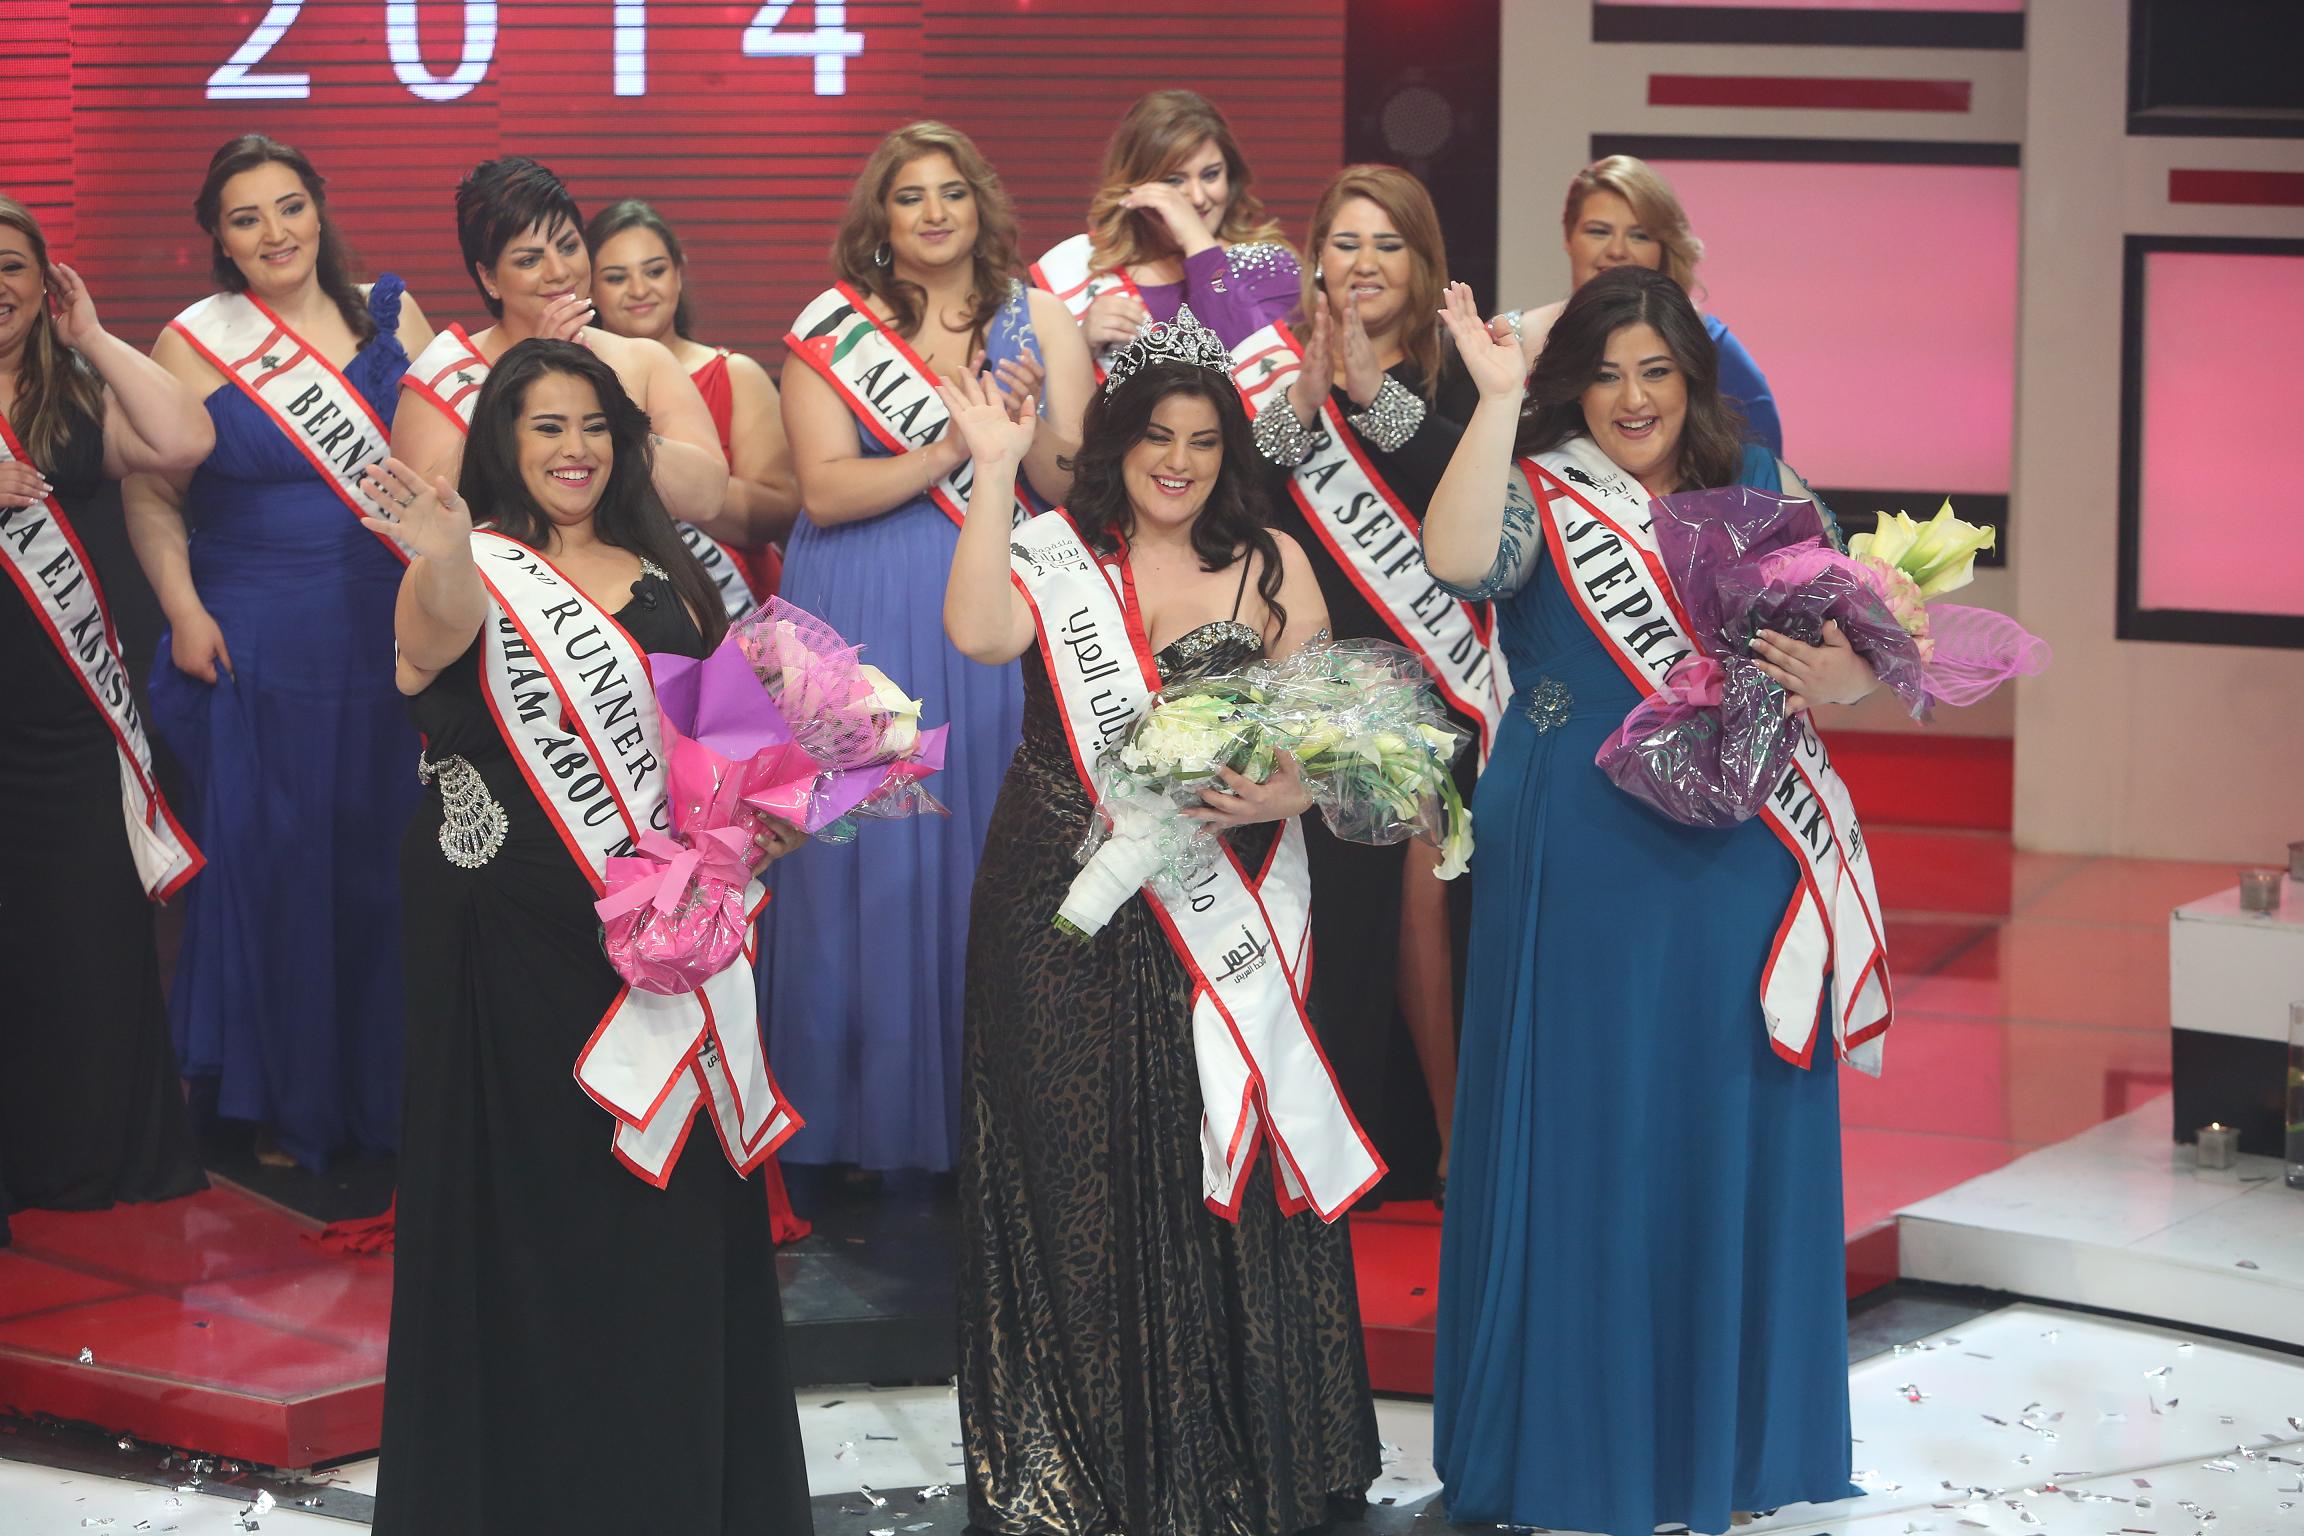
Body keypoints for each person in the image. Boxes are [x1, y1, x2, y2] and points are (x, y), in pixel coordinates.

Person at [1422, 266, 1889, 1535]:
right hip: (1579, 841)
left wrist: (1845, 679)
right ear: (1575, 385)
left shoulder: (1766, 488)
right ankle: (1579, 1448)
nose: (1634, 399)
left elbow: (1859, 640)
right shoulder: (1537, 486)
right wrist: (1497, 400)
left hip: (1736, 855)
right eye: (1608, 374)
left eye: (1658, 372)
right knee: (1588, 1129)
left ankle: (1719, 1448)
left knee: (1713, 1122)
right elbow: (1456, 559)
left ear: (1695, 380)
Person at [941, 308, 1381, 1536]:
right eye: (1155, 439)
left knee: (1212, 1151)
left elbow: (1332, 733)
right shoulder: (1056, 553)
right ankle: (1082, 1455)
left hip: (1215, 897)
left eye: (1202, 440)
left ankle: (1234, 1449)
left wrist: (1292, 790)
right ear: (1118, 444)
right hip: (1060, 891)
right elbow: (977, 633)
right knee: (1071, 1163)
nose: (1177, 462)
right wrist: (992, 468)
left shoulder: (1270, 560)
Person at [365, 339, 811, 1534]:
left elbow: (736, 751)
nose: (574, 450)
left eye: (594, 426)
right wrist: (445, 553)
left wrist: (765, 826)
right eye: (546, 427)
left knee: (660, 1218)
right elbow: (430, 644)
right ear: (502, 444)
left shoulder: (670, 572)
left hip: (662, 947)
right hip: (505, 938)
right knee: (530, 1217)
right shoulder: (471, 566)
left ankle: (665, 1489)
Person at [768, 121, 1092, 1174]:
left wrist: (1030, 429)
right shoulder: (832, 326)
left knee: (986, 842)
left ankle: (990, 1122)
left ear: (980, 203)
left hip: (994, 605)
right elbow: (825, 489)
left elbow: (1072, 483)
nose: (935, 212)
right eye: (910, 196)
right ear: (882, 218)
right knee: (861, 855)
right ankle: (851, 1123)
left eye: (952, 190)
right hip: (862, 606)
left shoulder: (1039, 317)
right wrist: (950, 447)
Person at [123, 133, 438, 1171]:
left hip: (389, 626)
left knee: (385, 858)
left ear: (319, 207)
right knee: (276, 860)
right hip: (253, 629)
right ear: (218, 237)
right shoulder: (192, 342)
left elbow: (443, 465)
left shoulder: (392, 314)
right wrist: (181, 609)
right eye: (246, 217)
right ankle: (283, 1096)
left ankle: (393, 1092)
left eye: (290, 206)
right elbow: (152, 495)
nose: (275, 233)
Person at [1244, 163, 1491, 1205]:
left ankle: (1454, 1133)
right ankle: (1333, 1137)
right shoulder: (1278, 374)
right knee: (1338, 916)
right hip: (1322, 687)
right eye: (1345, 242)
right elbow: (1239, 499)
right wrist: (1306, 401)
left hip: (1443, 687)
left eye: (1388, 244)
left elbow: (1469, 491)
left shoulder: (1462, 375)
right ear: (1315, 261)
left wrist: (1368, 396)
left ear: (1422, 263)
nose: (1365, 263)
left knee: (1428, 881)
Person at [0, 200, 212, 1234]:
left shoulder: (74, 398)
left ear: (45, 283)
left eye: (11, 266)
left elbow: (186, 437)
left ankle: (87, 1155)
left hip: (78, 730)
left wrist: (90, 335)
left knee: (85, 945)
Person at [390, 158, 729, 541]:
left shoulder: (644, 359)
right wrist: (534, 374)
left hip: (629, 573)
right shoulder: (445, 373)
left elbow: (707, 497)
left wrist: (609, 408)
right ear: (489, 277)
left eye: (568, 247)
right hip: (502, 577)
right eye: (529, 260)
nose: (559, 271)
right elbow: (433, 520)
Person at [586, 197, 798, 612]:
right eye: (616, 277)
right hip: (617, 607)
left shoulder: (733, 375)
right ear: (588, 287)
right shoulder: (569, 389)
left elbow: (781, 511)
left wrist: (676, 482)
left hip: (735, 609)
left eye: (655, 271)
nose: (639, 290)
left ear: (679, 273)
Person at [1493, 154, 1782, 455]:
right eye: (1599, 231)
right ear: (1568, 236)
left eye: (1640, 235)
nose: (1617, 250)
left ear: (1664, 248)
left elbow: (1764, 467)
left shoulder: (1712, 345)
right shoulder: (1507, 338)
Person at [1031, 89, 1300, 361]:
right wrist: (1079, 346)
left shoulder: (1268, 267)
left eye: (1211, 175)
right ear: (1134, 184)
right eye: (1174, 181)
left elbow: (1245, 363)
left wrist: (1195, 240)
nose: (1197, 198)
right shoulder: (1084, 267)